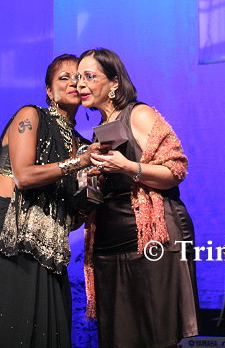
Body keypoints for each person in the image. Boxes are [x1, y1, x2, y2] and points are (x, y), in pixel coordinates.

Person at [0, 54, 98, 347]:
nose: (73, 83)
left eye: (80, 78)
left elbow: (71, 220)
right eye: (64, 77)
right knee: (6, 325)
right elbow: (23, 176)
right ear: (49, 90)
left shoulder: (83, 145)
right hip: (6, 231)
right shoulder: (30, 116)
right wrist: (79, 162)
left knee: (47, 329)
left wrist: (91, 197)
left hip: (49, 246)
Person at [76, 48, 198, 348]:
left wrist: (128, 167)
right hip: (109, 241)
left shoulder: (139, 114)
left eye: (89, 76)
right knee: (118, 337)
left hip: (150, 237)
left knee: (155, 333)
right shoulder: (100, 131)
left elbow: (175, 169)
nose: (80, 84)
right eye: (78, 77)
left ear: (114, 82)